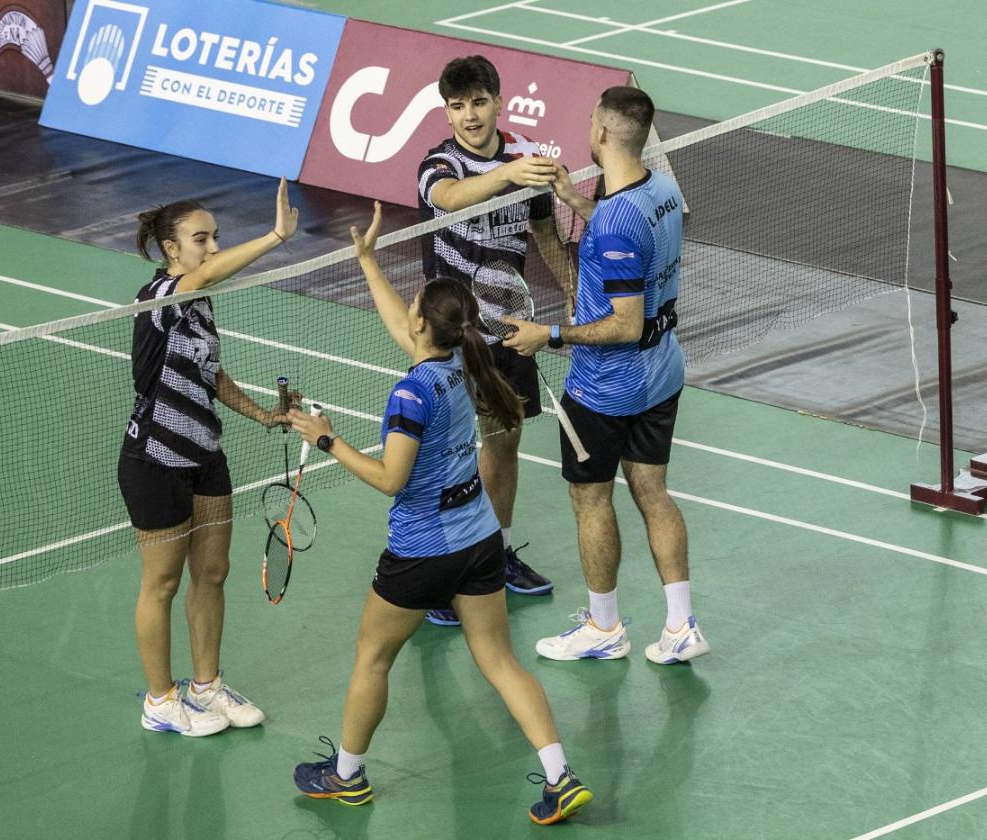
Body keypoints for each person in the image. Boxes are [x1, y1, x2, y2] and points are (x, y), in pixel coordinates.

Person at [289, 203, 592, 826]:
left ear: (424, 321)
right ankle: (561, 775)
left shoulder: (410, 393)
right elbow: (399, 327)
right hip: (480, 538)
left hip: (423, 550)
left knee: (372, 658)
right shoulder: (459, 362)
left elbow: (388, 479)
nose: (409, 310)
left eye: (416, 303)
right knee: (500, 661)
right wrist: (367, 261)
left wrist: (326, 439)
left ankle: (345, 777)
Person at [504, 87, 709, 665]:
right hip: (662, 371)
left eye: (591, 120)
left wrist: (551, 335)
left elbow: (622, 322)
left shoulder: (617, 223)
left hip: (606, 388)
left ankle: (604, 627)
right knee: (654, 492)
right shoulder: (663, 189)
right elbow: (628, 243)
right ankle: (680, 625)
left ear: (600, 134)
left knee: (591, 500)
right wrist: (577, 200)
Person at [117, 178, 300, 736]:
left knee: (213, 573)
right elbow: (207, 274)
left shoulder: (198, 303)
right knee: (163, 583)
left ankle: (206, 687)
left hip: (205, 456)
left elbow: (210, 373)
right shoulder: (161, 296)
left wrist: (264, 415)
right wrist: (274, 236)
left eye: (216, 237)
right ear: (172, 250)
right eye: (202, 239)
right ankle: (160, 700)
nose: (214, 247)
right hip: (154, 459)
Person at [415, 55, 575, 625]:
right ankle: (440, 569)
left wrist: (578, 297)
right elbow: (453, 199)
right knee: (449, 456)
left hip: (510, 331)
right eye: (457, 106)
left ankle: (491, 554)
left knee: (503, 443)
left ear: (498, 100)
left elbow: (545, 235)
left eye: (478, 102)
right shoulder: (438, 163)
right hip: (450, 338)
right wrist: (510, 172)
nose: (469, 116)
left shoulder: (523, 156)